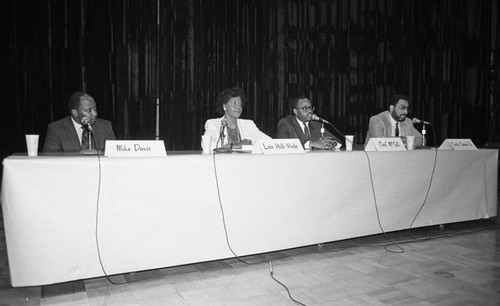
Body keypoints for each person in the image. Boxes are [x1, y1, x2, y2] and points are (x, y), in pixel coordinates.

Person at [202, 87, 271, 152]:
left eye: (240, 104)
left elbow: (268, 143)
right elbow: (206, 145)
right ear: (224, 106)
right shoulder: (213, 124)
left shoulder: (249, 125)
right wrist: (235, 146)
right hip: (223, 163)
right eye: (234, 103)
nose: (238, 107)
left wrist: (248, 146)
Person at [43, 91, 116, 152]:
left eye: (95, 108)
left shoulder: (105, 127)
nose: (95, 113)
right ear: (75, 112)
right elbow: (51, 159)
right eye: (89, 110)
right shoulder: (56, 130)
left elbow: (114, 156)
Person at [277, 96, 341, 150]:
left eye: (310, 107)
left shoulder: (316, 125)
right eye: (305, 108)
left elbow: (337, 141)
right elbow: (282, 145)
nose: (310, 111)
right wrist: (311, 144)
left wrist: (332, 143)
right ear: (295, 111)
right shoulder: (286, 123)